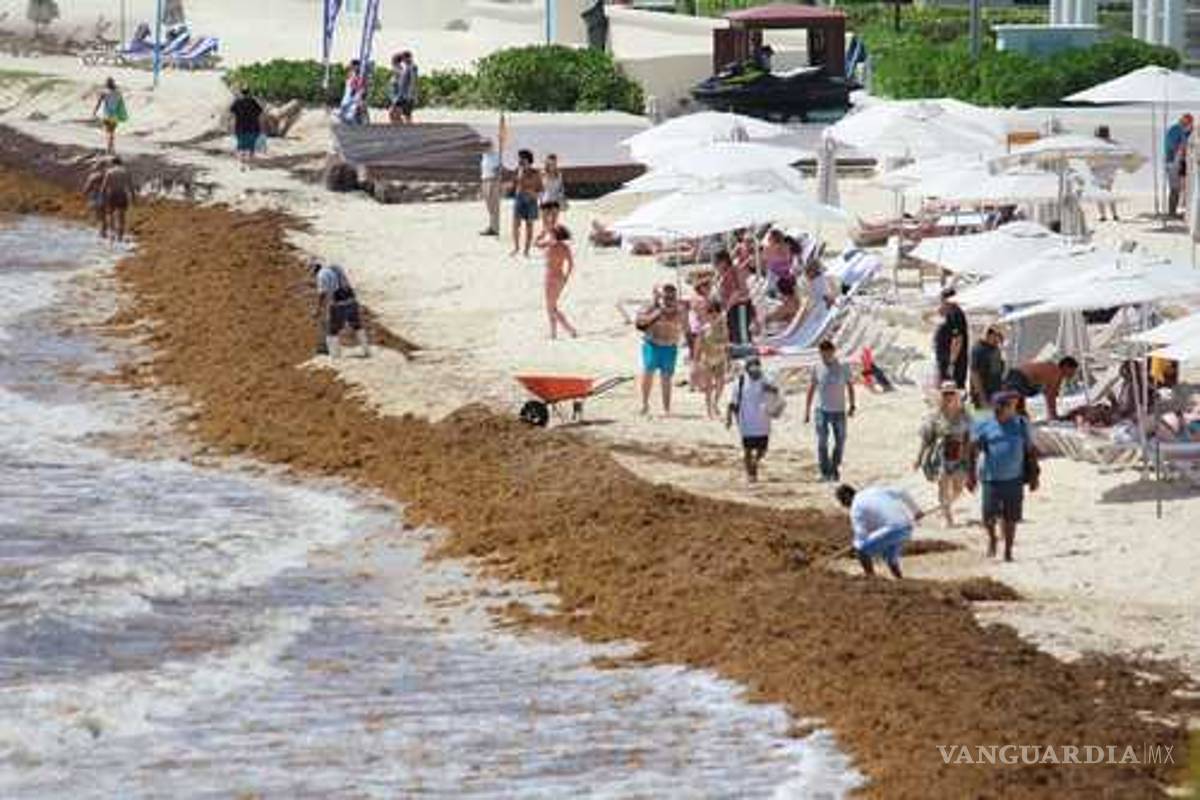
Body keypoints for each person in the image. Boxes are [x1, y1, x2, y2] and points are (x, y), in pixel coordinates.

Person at [966, 390, 1039, 561]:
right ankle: (992, 539)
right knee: (988, 517)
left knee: (1011, 518)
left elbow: (1030, 451)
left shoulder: (1021, 424)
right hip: (991, 479)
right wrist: (971, 476)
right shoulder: (984, 425)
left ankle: (1008, 550)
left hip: (1014, 479)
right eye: (997, 407)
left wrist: (1034, 476)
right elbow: (972, 451)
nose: (1000, 411)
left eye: (1008, 406)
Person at [835, 483, 924, 579]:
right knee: (890, 558)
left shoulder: (855, 508)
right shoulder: (873, 490)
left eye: (842, 501)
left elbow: (861, 535)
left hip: (892, 529)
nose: (843, 505)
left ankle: (871, 577)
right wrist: (916, 510)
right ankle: (899, 579)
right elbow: (902, 491)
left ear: (847, 497)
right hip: (906, 527)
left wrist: (855, 546)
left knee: (860, 550)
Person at [914, 382, 971, 526]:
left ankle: (945, 506)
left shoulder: (965, 414)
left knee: (958, 488)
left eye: (951, 393)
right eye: (946, 393)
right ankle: (947, 517)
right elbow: (926, 439)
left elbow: (971, 435)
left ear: (956, 395)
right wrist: (918, 458)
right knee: (943, 485)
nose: (948, 396)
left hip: (960, 454)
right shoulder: (934, 415)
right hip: (941, 455)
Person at [805, 339, 856, 482]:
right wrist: (807, 410)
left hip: (839, 410)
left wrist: (852, 405)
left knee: (840, 441)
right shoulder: (816, 367)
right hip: (821, 410)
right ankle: (824, 472)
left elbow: (850, 387)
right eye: (822, 354)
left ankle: (834, 468)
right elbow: (811, 388)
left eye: (827, 353)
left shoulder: (843, 366)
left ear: (833, 351)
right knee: (822, 441)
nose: (824, 356)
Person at [726, 356, 780, 483]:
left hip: (763, 423)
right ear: (747, 369)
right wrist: (729, 418)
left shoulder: (767, 379)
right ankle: (750, 475)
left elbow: (777, 394)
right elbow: (732, 402)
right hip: (746, 423)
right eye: (752, 369)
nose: (755, 372)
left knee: (762, 450)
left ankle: (755, 463)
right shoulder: (740, 381)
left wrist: (771, 390)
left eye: (757, 368)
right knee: (747, 450)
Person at [635, 283, 685, 415]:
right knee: (648, 372)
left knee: (666, 377)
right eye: (666, 296)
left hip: (670, 345)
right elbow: (639, 323)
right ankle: (645, 403)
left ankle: (666, 408)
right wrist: (657, 313)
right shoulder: (650, 306)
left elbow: (685, 326)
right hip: (652, 344)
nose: (669, 300)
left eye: (671, 297)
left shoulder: (679, 309)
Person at [312, 259, 370, 358]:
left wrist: (318, 309)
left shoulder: (321, 275)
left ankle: (335, 355)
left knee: (332, 331)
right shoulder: (336, 267)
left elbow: (322, 294)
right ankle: (366, 350)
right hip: (352, 300)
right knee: (357, 325)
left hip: (339, 304)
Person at [1003, 355, 1080, 420]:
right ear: (1066, 366)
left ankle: (1017, 415)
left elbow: (1049, 394)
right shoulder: (1056, 372)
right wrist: (1053, 415)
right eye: (1072, 370)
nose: (1073, 373)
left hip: (1017, 376)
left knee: (1019, 412)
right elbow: (1050, 396)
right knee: (1012, 409)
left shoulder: (1053, 371)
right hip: (1019, 377)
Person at [536, 224, 578, 340]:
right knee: (552, 306)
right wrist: (567, 277)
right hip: (560, 277)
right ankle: (553, 333)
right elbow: (571, 264)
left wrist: (542, 234)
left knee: (551, 308)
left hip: (550, 277)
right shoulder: (565, 247)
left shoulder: (550, 245)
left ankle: (570, 329)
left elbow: (537, 244)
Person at [693, 298, 729, 420]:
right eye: (711, 312)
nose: (713, 314)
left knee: (721, 383)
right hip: (707, 358)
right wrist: (695, 362)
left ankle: (715, 403)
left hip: (720, 357)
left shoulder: (723, 325)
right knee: (708, 386)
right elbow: (698, 345)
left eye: (716, 311)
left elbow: (726, 341)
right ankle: (709, 410)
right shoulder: (704, 328)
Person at [715, 249, 753, 346]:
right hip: (733, 307)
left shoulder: (733, 272)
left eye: (717, 262)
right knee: (734, 335)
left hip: (740, 305)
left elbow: (737, 292)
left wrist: (726, 307)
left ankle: (748, 356)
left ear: (723, 261)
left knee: (742, 336)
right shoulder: (724, 274)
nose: (715, 265)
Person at [934, 287, 969, 389]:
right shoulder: (949, 313)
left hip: (953, 359)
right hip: (946, 357)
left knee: (952, 387)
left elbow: (958, 340)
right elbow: (926, 318)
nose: (941, 303)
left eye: (942, 300)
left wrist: (952, 361)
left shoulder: (955, 314)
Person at [510, 149, 542, 258]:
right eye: (519, 160)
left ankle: (526, 250)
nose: (520, 161)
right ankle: (516, 248)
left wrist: (534, 193)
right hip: (519, 198)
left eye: (522, 159)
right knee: (515, 224)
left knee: (529, 226)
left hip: (531, 200)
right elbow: (513, 185)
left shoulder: (536, 173)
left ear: (528, 160)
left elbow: (541, 189)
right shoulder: (518, 171)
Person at [969, 325, 1006, 410]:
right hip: (984, 395)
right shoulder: (978, 349)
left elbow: (998, 372)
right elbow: (975, 374)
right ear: (989, 335)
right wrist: (982, 398)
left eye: (1000, 338)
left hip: (996, 394)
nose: (998, 341)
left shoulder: (995, 349)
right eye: (996, 337)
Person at [99, 156, 133, 243]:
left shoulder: (109, 172)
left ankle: (112, 233)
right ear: (120, 162)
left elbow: (104, 185)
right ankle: (120, 235)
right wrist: (133, 196)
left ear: (113, 163)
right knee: (121, 215)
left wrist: (101, 196)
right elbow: (130, 186)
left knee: (110, 214)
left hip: (112, 194)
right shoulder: (126, 171)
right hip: (122, 194)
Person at [230, 86, 264, 171]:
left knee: (241, 145)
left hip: (240, 126)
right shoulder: (253, 102)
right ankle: (250, 164)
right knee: (251, 146)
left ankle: (242, 165)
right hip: (252, 126)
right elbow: (260, 111)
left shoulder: (237, 102)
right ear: (249, 92)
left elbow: (232, 111)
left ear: (241, 92)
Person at [1165, 113, 1193, 218]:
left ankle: (1174, 211)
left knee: (1178, 188)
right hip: (1172, 162)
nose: (1189, 125)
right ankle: (1171, 212)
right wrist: (1181, 147)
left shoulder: (1182, 131)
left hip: (1177, 161)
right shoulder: (1175, 130)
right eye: (1189, 122)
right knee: (1174, 188)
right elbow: (1172, 146)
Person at [1092, 125, 1120, 222]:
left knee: (1099, 193)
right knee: (1109, 192)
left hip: (1099, 171)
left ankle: (1103, 215)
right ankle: (1115, 214)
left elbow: (1092, 159)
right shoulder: (1114, 144)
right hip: (1110, 172)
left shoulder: (1095, 144)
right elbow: (1119, 156)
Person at [92, 77, 126, 154]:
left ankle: (108, 148)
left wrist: (94, 112)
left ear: (107, 84)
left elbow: (99, 103)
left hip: (107, 115)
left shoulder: (104, 93)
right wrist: (122, 115)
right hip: (115, 116)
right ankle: (112, 147)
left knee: (108, 132)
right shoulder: (118, 93)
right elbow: (121, 105)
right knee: (112, 132)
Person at [82, 157, 110, 239]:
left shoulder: (93, 176)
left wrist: (84, 193)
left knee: (98, 216)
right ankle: (103, 233)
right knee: (103, 217)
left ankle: (101, 234)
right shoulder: (107, 176)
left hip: (95, 197)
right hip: (105, 197)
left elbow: (87, 188)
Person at [388, 51, 418, 125]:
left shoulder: (411, 67)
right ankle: (405, 128)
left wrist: (410, 95)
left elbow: (412, 83)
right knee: (404, 115)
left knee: (397, 114)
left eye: (404, 58)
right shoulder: (406, 68)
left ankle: (405, 129)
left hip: (406, 96)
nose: (403, 60)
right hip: (403, 95)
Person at [539, 153, 567, 233]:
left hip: (555, 200)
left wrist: (562, 199)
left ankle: (551, 240)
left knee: (553, 224)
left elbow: (561, 188)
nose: (552, 165)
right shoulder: (542, 174)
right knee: (545, 224)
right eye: (550, 163)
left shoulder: (559, 174)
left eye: (554, 163)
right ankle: (546, 238)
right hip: (545, 200)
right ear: (547, 163)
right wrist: (539, 200)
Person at [479, 139, 502, 236]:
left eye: (485, 145)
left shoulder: (496, 155)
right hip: (485, 180)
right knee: (489, 206)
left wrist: (496, 181)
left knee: (494, 206)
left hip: (493, 181)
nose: (483, 147)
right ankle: (492, 226)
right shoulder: (484, 155)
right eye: (482, 145)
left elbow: (498, 169)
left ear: (490, 145)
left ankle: (495, 228)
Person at [338, 60, 368, 125]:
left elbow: (363, 89)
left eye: (353, 66)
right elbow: (349, 88)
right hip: (348, 100)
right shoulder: (351, 75)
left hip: (357, 100)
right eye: (352, 66)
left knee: (357, 116)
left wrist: (361, 97)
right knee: (344, 116)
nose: (352, 68)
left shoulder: (361, 76)